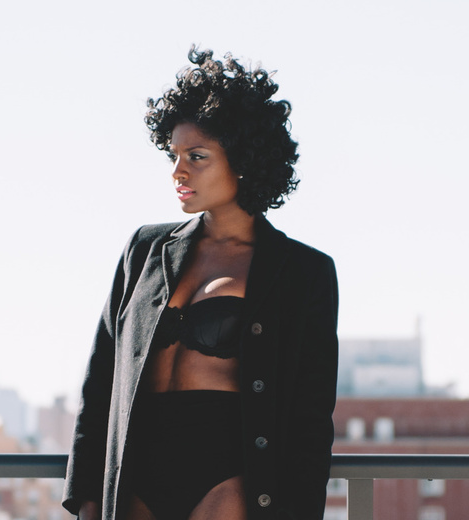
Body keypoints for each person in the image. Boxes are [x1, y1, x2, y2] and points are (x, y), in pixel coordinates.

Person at [63, 48, 338, 520]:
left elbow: (310, 420)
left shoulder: (303, 273)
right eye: (174, 156)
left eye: (197, 156)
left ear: (244, 159)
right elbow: (101, 377)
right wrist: (87, 494)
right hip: (134, 472)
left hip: (231, 477)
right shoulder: (143, 250)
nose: (178, 171)